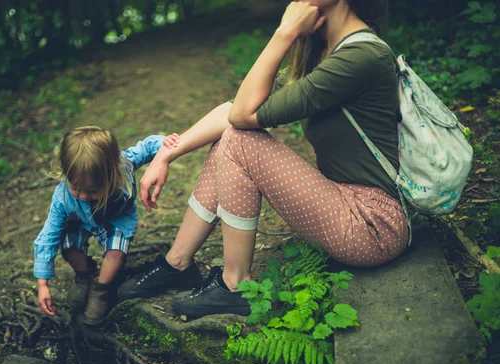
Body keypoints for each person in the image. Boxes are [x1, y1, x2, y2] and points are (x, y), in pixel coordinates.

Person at [118, 0, 410, 318]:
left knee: (239, 140)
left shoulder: (361, 56)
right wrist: (166, 155)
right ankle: (177, 263)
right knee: (233, 139)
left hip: (372, 225)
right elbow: (236, 110)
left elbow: (242, 116)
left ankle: (235, 285)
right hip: (345, 202)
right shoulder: (328, 49)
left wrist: (284, 33)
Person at [33, 126, 182, 325]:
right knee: (67, 245)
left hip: (116, 219)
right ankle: (85, 276)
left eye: (94, 191)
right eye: (77, 188)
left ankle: (101, 290)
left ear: (112, 172)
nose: (85, 197)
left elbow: (146, 147)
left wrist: (166, 142)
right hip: (79, 222)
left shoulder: (124, 165)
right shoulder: (62, 198)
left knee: (116, 251)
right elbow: (48, 235)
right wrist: (42, 283)